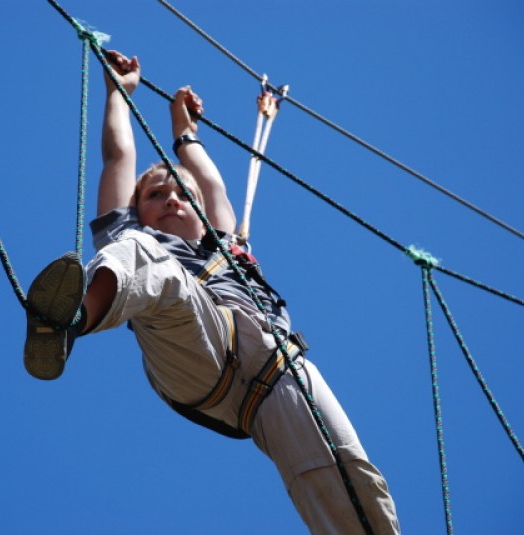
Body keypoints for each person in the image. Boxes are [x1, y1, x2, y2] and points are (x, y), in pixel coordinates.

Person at [22, 50, 400, 534]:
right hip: (196, 348)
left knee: (346, 477)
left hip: (276, 366)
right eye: (155, 195)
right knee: (143, 255)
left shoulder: (224, 241)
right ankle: (69, 322)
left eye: (182, 194)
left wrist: (185, 132)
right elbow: (118, 157)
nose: (171, 199)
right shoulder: (134, 234)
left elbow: (210, 183)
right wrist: (119, 93)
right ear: (136, 208)